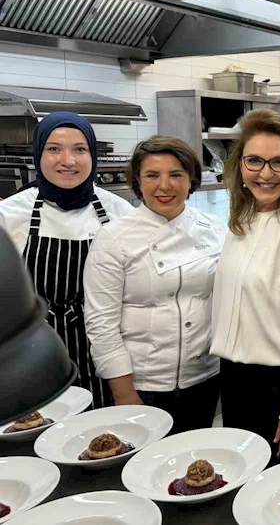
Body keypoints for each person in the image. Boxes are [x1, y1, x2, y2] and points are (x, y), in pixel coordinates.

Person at [83, 136, 225, 433]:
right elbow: (101, 323)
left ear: (191, 179)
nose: (165, 186)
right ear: (138, 181)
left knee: (197, 465)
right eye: (152, 175)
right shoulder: (113, 238)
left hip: (205, 377)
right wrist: (124, 393)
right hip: (143, 383)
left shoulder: (214, 229)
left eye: (176, 174)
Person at [0, 112, 133, 409]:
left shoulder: (119, 212)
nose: (68, 161)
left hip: (106, 356)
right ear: (38, 154)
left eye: (79, 149)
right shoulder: (9, 214)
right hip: (33, 360)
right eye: (54, 149)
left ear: (92, 155)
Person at [211, 109, 280, 462]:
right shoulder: (239, 221)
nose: (265, 174)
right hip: (233, 378)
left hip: (277, 384)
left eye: (278, 163)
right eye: (254, 161)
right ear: (240, 166)